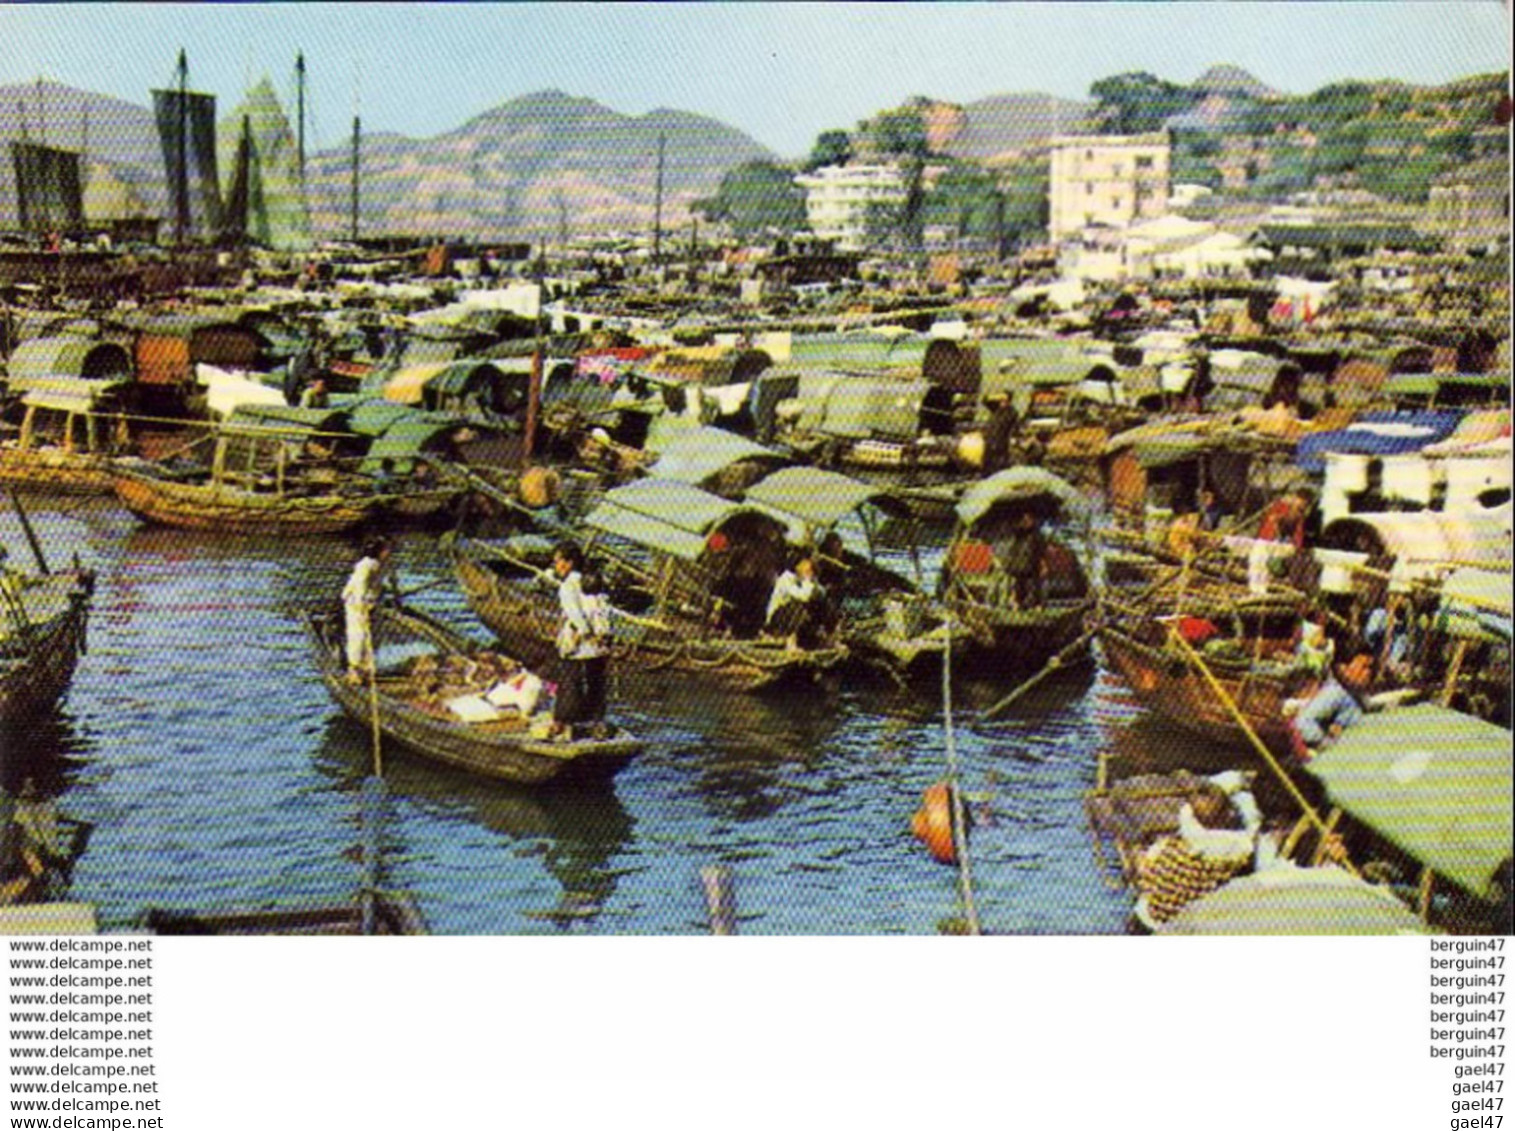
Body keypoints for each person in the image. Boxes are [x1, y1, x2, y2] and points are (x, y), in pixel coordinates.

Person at [549, 543, 610, 741]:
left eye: (558, 561)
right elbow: (602, 608)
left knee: (569, 681)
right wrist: (601, 633)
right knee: (596, 682)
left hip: (578, 640)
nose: (555, 565)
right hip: (598, 644)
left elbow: (574, 613)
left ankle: (564, 723)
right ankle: (597, 722)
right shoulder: (593, 581)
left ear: (568, 563)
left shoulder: (568, 585)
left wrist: (583, 631)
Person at [1290, 646, 1375, 758]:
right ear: (1343, 668)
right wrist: (1330, 744)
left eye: (1370, 667)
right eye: (1363, 667)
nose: (1368, 672)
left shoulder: (1358, 694)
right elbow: (1303, 723)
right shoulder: (1335, 693)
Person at [341, 538, 391, 683]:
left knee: (367, 634)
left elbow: (375, 585)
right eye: (386, 549)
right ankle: (354, 669)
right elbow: (360, 585)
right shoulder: (366, 565)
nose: (388, 552)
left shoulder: (375, 565)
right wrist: (361, 603)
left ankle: (365, 667)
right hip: (357, 605)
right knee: (358, 635)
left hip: (366, 603)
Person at [765, 551, 831, 650]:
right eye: (805, 564)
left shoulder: (802, 580)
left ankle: (826, 636)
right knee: (798, 605)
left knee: (818, 603)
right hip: (777, 620)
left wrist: (814, 583)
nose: (808, 568)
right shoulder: (786, 578)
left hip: (793, 618)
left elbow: (820, 593)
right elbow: (802, 596)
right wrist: (807, 580)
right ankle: (790, 640)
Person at [997, 510, 1047, 610]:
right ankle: (1017, 603)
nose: (1027, 521)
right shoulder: (1016, 533)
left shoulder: (1036, 534)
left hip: (1032, 564)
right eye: (1025, 519)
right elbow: (1011, 549)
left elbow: (1041, 549)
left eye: (1029, 519)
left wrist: (1043, 564)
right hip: (1019, 564)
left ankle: (1035, 605)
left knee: (1034, 585)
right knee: (1019, 585)